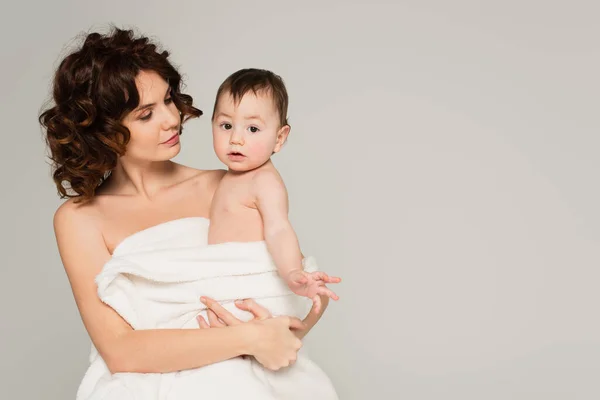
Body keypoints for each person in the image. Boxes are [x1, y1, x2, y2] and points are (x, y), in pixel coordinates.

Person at [39, 27, 338, 399]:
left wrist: (280, 334)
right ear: (103, 129)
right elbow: (119, 350)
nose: (171, 119)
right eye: (146, 114)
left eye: (168, 99)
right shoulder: (79, 220)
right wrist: (248, 337)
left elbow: (297, 287)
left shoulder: (227, 186)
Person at [207, 68, 341, 314]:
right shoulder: (225, 178)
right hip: (223, 280)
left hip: (250, 287)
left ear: (279, 138)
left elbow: (278, 229)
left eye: (253, 129)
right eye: (226, 125)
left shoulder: (264, 180)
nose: (236, 138)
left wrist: (292, 273)